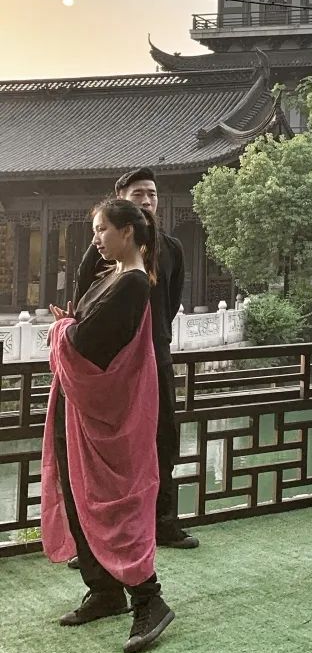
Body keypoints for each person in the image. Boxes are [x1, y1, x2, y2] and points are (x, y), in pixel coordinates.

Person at [40, 199, 176, 653]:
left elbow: (87, 343)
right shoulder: (111, 276)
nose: (95, 239)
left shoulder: (133, 283)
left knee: (113, 503)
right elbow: (83, 324)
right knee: (78, 495)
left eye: (101, 230)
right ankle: (104, 590)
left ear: (127, 232)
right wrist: (70, 326)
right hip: (79, 408)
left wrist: (61, 331)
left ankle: (149, 598)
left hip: (105, 413)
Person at [74, 167, 194, 551]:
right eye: (138, 194)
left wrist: (153, 340)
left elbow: (170, 303)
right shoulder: (101, 248)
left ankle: (164, 523)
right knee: (111, 451)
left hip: (156, 358)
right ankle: (99, 538)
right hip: (113, 368)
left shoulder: (171, 247)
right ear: (120, 201)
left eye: (152, 194)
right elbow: (83, 300)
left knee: (163, 439)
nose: (147, 200)